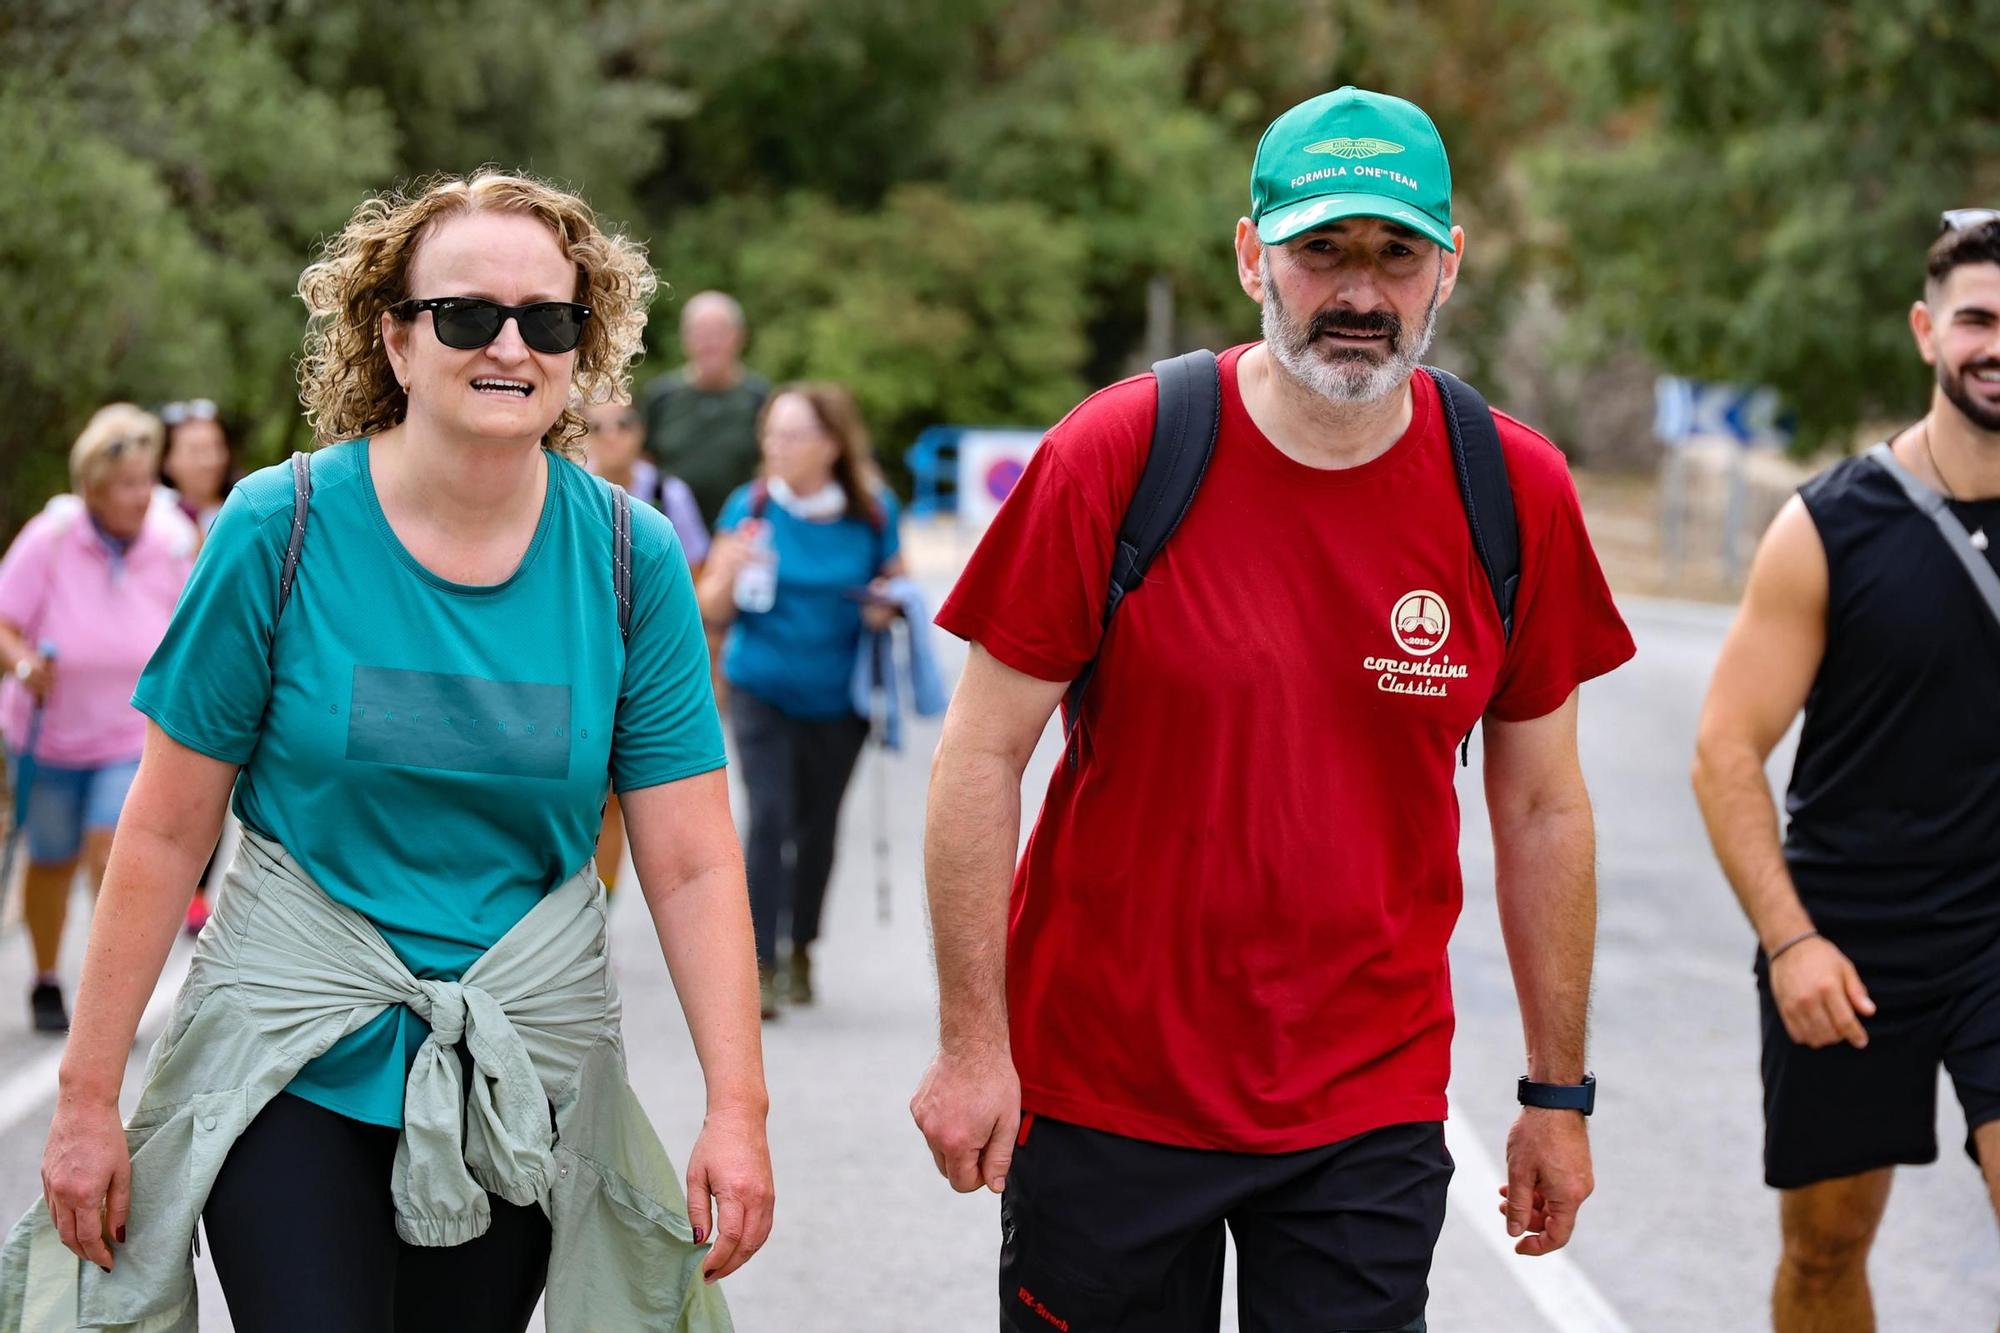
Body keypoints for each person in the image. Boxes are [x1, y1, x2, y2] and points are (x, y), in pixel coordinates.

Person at [910, 86, 1636, 1332]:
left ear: (1444, 270)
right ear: (1252, 254)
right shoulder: (1120, 453)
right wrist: (975, 1043)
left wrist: (1554, 1093)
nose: (1357, 292)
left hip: (1365, 1105)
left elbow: (1542, 805)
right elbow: (979, 755)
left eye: (1392, 254)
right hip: (1104, 1090)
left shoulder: (1509, 489)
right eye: (1320, 251)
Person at [10, 171, 770, 1333]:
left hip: (516, 1071)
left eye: (549, 319)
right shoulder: (280, 528)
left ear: (582, 347)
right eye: (468, 314)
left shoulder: (629, 558)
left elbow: (692, 861)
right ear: (396, 339)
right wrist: (85, 1098)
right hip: (292, 1060)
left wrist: (736, 1107)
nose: (510, 345)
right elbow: (165, 832)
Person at [1691, 211, 2000, 1331]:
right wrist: (1790, 939)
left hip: (1993, 934)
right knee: (1823, 1254)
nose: (1993, 343)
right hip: (1847, 932)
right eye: (1975, 318)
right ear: (1926, 331)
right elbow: (1724, 752)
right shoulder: (1827, 524)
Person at [696, 383, 902, 1020]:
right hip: (762, 686)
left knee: (817, 830)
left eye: (791, 436)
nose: (774, 447)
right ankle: (759, 963)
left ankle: (803, 945)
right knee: (771, 817)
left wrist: (883, 606)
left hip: (840, 698)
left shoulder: (870, 509)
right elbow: (710, 610)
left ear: (830, 445)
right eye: (771, 433)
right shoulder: (750, 505)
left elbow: (897, 585)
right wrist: (727, 571)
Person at [0, 404, 194, 1033]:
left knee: (112, 850)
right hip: (49, 735)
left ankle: (106, 995)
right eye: (126, 486)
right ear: (91, 489)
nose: (142, 496)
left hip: (127, 735)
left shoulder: (169, 541)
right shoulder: (51, 538)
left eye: (146, 481)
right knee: (51, 860)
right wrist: (24, 661)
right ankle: (46, 978)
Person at [581, 395, 709, 895]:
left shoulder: (668, 495)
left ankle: (602, 909)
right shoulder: (563, 489)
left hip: (642, 667)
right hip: (588, 659)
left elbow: (693, 581)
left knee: (620, 800)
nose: (612, 434)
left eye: (624, 422)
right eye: (598, 424)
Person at [641, 290, 771, 528]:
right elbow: (644, 466)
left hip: (742, 534)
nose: (709, 342)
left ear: (739, 337)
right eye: (699, 332)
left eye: (719, 332)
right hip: (674, 537)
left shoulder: (759, 398)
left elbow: (771, 468)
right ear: (684, 339)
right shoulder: (661, 397)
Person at [158, 398, 239, 536]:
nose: (209, 461)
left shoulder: (243, 509)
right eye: (195, 451)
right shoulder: (154, 514)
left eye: (216, 447)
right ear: (166, 461)